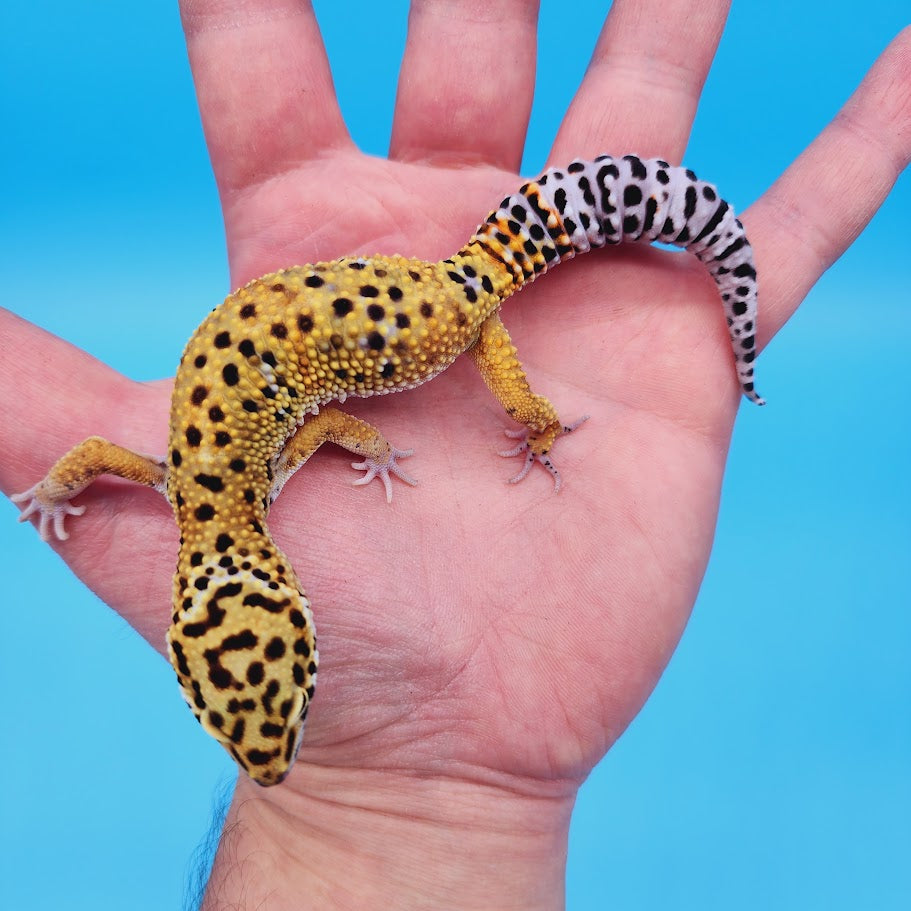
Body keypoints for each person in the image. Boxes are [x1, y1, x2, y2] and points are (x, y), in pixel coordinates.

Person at [2, 1, 908, 907]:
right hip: (413, 285)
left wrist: (451, 436)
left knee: (493, 349)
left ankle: (580, 382)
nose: (274, 756)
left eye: (260, 722)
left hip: (448, 316)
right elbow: (118, 451)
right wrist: (58, 486)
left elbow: (317, 427)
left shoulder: (230, 490)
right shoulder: (181, 488)